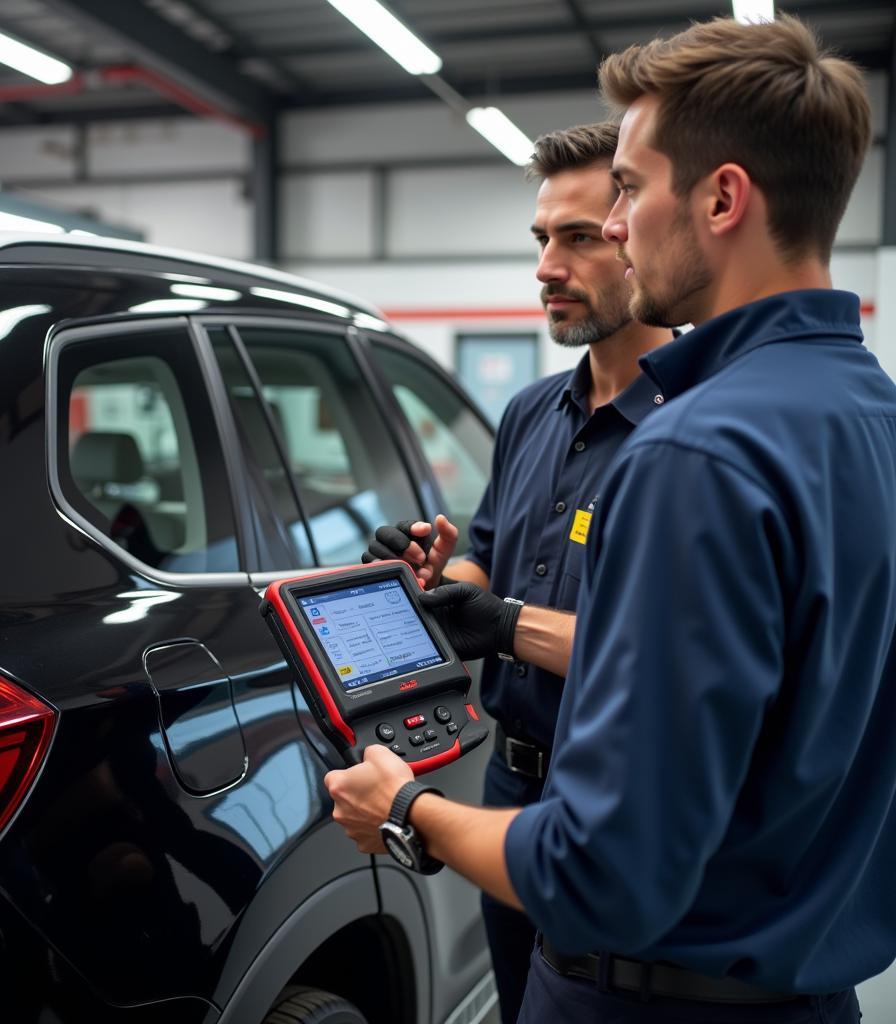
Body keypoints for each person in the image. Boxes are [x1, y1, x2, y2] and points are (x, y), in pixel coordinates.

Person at [330, 14, 896, 1023]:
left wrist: (406, 809)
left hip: (648, 991)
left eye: (625, 194)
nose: (619, 232)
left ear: (723, 197)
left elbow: (604, 869)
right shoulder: (869, 414)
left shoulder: (691, 450)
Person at [362, 122, 673, 1023]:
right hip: (511, 780)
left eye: (577, 237)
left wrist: (499, 624)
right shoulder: (532, 412)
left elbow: (665, 663)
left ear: (634, 232)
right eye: (542, 240)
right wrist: (436, 571)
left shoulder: (695, 430)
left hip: (618, 789)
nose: (547, 266)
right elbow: (485, 555)